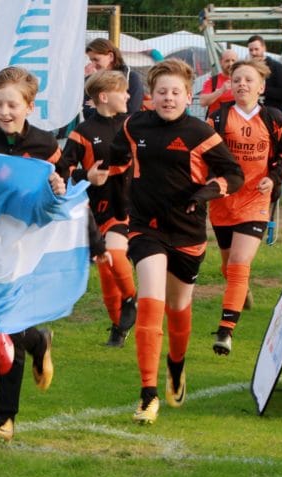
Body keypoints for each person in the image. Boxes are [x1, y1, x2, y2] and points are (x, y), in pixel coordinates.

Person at [106, 59, 243, 424]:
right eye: (162, 92)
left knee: (179, 307)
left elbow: (234, 173)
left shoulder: (201, 133)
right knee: (152, 300)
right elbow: (116, 157)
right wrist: (99, 170)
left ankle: (176, 365)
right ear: (150, 96)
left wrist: (207, 193)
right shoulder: (135, 126)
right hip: (145, 228)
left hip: (188, 231)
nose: (168, 98)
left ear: (189, 96)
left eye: (176, 92)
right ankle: (148, 394)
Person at [0, 67, 59, 442]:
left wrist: (57, 182)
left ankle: (4, 419)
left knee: (8, 323)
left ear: (29, 107)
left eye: (12, 104)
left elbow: (59, 188)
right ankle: (38, 340)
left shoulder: (45, 143)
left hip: (24, 244)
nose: (4, 111)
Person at [207, 59, 282, 355]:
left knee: (239, 263)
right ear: (229, 85)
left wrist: (273, 177)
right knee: (228, 265)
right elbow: (205, 154)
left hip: (256, 199)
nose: (242, 83)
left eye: (248, 79)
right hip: (223, 200)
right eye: (236, 79)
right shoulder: (217, 118)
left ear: (261, 86)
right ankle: (241, 290)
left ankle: (225, 331)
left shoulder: (274, 118)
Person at [61, 70, 137, 347]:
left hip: (129, 205)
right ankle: (118, 327)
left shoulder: (134, 124)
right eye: (123, 91)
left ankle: (132, 299)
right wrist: (85, 176)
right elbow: (63, 170)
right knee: (106, 269)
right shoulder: (83, 133)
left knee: (115, 255)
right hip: (96, 211)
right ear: (104, 97)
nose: (128, 95)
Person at [83, 38, 144, 119]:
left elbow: (132, 112)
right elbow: (86, 112)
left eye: (96, 59)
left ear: (111, 56)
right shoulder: (92, 80)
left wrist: (100, 106)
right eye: (91, 60)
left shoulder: (131, 79)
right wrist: (115, 106)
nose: (93, 64)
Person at [246, 35, 282, 112]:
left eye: (256, 49)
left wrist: (262, 90)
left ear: (264, 48)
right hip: (251, 116)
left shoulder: (276, 67)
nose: (253, 53)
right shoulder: (247, 69)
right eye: (251, 50)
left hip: (271, 116)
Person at [199, 48, 237, 117]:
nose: (230, 64)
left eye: (233, 60)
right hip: (215, 123)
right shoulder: (213, 81)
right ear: (221, 62)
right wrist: (221, 90)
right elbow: (202, 102)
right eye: (227, 61)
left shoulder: (242, 81)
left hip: (236, 122)